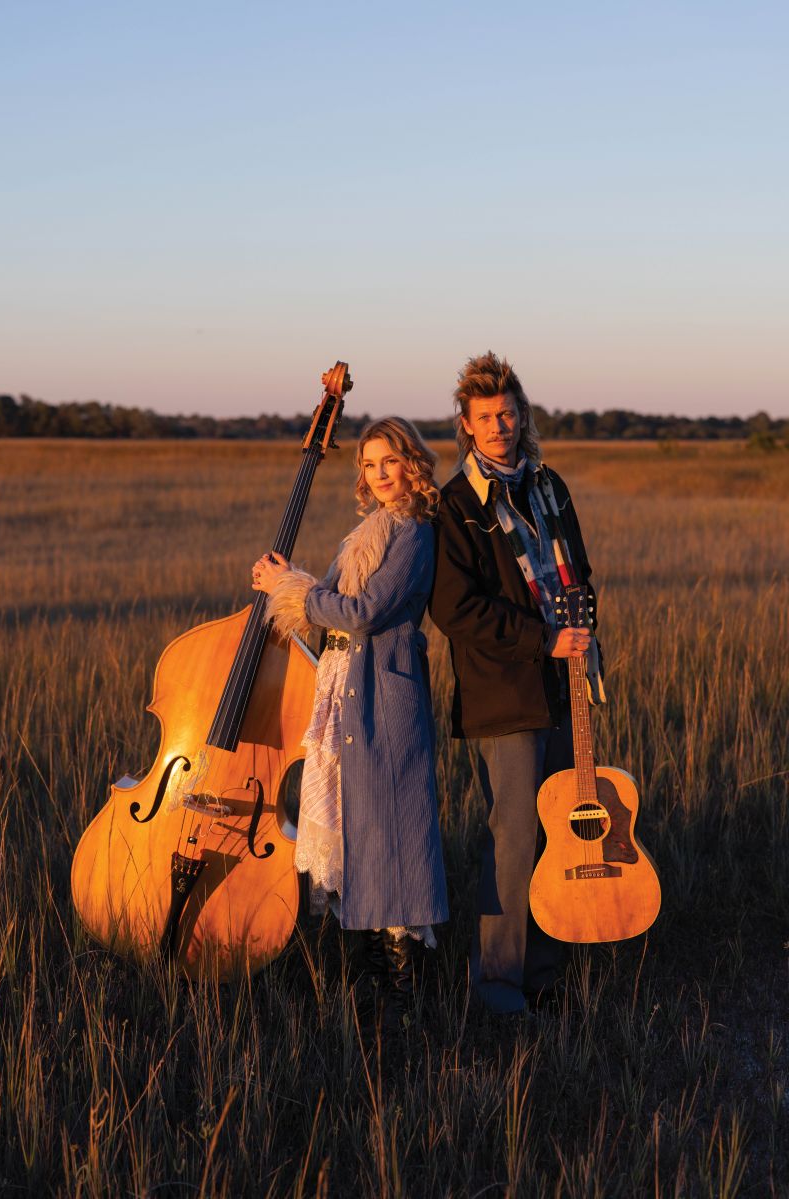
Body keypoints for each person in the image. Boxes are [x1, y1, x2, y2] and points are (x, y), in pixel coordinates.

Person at [252, 417, 448, 1020]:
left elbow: (362, 612)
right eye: (368, 464)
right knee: (357, 830)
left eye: (389, 461)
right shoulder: (365, 534)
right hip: (345, 694)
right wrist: (290, 587)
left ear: (411, 462)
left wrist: (292, 587)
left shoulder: (413, 532)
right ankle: (367, 972)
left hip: (385, 698)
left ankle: (404, 987)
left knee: (394, 828)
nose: (379, 474)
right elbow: (327, 608)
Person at [429, 352, 604, 1015]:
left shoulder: (549, 485)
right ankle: (497, 984)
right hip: (503, 694)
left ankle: (545, 974)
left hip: (566, 684)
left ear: (522, 414)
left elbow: (578, 570)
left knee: (561, 826)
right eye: (485, 417)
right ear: (467, 426)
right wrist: (543, 638)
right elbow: (455, 610)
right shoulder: (456, 506)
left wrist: (579, 638)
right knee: (514, 837)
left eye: (508, 412)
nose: (499, 425)